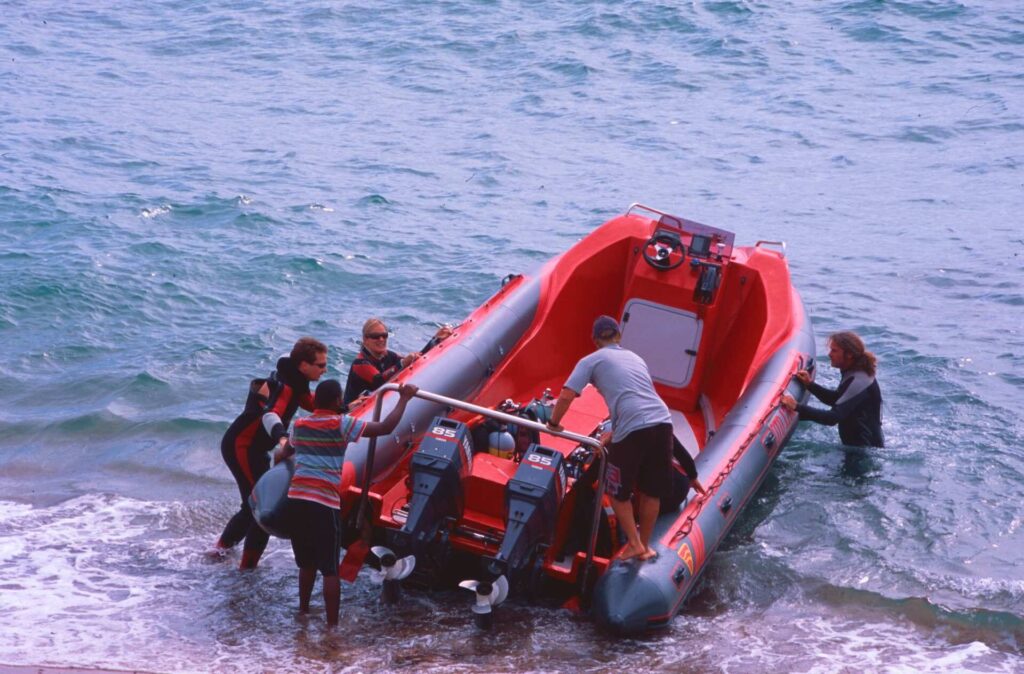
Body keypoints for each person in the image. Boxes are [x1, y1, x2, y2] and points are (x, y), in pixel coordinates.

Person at [546, 315, 705, 562]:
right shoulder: (636, 358)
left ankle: (633, 544)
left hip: (633, 426)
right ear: (619, 336)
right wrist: (692, 475)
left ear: (595, 340)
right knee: (652, 491)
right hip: (662, 422)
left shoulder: (591, 360)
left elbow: (567, 395)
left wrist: (554, 423)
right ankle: (645, 545)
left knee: (616, 491)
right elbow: (636, 397)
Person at [283, 378, 419, 626]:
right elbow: (385, 427)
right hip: (324, 502)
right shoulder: (341, 424)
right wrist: (404, 398)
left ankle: (303, 612)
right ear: (337, 401)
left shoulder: (299, 425)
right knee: (329, 569)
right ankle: (332, 627)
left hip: (296, 499)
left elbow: (285, 452)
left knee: (306, 563)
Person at [212, 337, 329, 569]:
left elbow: (314, 404)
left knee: (255, 506)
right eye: (321, 365)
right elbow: (270, 415)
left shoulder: (296, 381)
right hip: (241, 446)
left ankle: (229, 557)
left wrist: (348, 406)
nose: (325, 370)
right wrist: (282, 438)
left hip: (256, 449)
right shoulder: (285, 388)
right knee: (255, 507)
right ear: (304, 365)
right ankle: (230, 559)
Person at [781, 330, 884, 447]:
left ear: (849, 354)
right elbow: (838, 400)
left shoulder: (859, 381)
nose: (829, 354)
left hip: (863, 453)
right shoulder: (854, 372)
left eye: (834, 350)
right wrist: (809, 385)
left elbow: (832, 418)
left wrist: (797, 407)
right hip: (858, 446)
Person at [342, 317, 452, 405]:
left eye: (384, 335)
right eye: (376, 336)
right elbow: (379, 380)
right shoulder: (360, 363)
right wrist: (402, 363)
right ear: (365, 339)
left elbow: (415, 360)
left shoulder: (388, 355)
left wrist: (435, 339)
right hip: (353, 411)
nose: (381, 339)